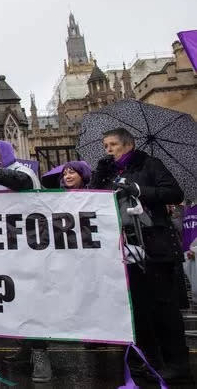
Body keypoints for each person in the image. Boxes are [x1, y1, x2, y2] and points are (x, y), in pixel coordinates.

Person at [90, 128, 191, 382]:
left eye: (112, 144)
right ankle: (151, 361)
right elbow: (92, 199)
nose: (108, 149)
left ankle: (178, 365)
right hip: (127, 250)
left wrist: (139, 190)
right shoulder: (111, 171)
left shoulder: (150, 164)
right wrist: (100, 175)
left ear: (129, 145)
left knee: (164, 309)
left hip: (156, 247)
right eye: (105, 146)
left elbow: (174, 193)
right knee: (139, 310)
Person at [0, 141, 49, 382]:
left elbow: (21, 184)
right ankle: (26, 346)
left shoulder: (23, 171)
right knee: (13, 300)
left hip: (27, 247)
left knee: (33, 299)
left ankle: (40, 355)